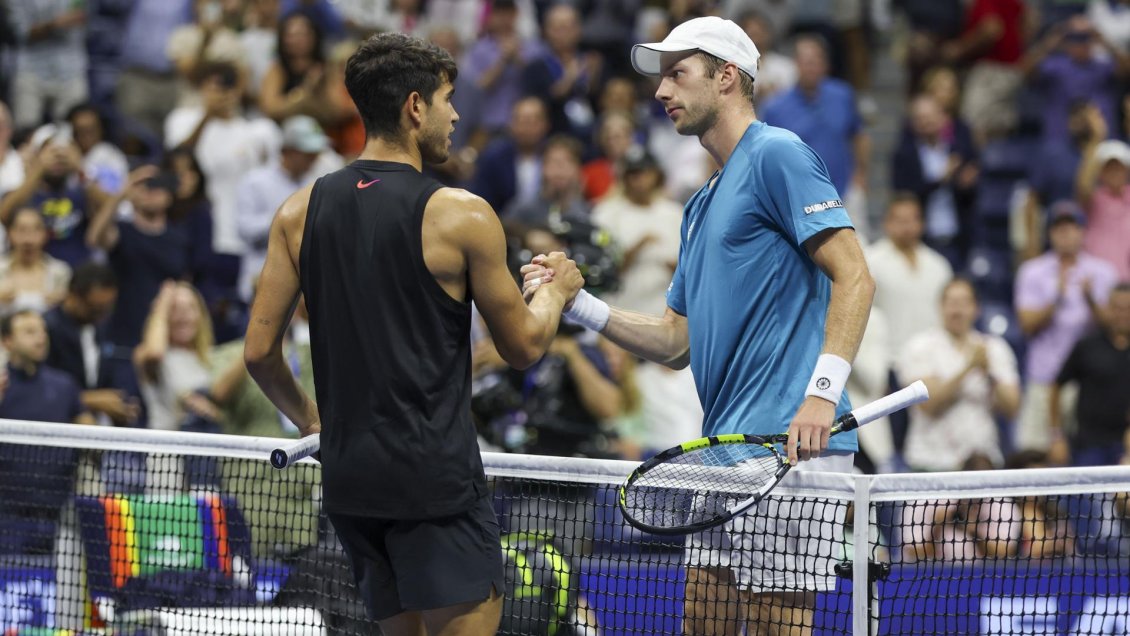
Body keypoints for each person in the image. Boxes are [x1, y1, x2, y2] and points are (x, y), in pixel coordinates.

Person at [524, 16, 874, 635]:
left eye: (677, 74)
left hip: (788, 449)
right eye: (662, 78)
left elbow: (855, 276)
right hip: (722, 452)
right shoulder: (699, 205)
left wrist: (821, 395)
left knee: (774, 626)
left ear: (727, 77)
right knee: (700, 622)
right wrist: (580, 303)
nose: (661, 92)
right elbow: (674, 342)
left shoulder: (778, 155)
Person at [244, 32, 584, 636]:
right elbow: (526, 347)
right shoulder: (463, 215)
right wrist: (557, 291)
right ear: (414, 106)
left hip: (351, 484)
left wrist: (311, 420)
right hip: (435, 485)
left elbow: (259, 353)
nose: (457, 114)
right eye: (449, 99)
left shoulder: (298, 211)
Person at [1014, 202, 1118, 452]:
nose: (1066, 234)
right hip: (1044, 379)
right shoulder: (1032, 272)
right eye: (1059, 228)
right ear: (1050, 233)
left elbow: (1116, 328)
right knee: (1034, 456)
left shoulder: (1102, 272)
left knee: (1088, 458)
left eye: (1072, 227)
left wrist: (1091, 299)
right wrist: (1055, 300)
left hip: (1089, 384)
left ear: (1083, 232)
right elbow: (1026, 324)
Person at [897, 278, 1021, 471]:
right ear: (940, 307)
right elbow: (929, 404)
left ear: (976, 308)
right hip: (931, 463)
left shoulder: (994, 348)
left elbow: (1012, 407)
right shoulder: (920, 347)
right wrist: (968, 368)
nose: (958, 311)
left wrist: (989, 372)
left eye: (964, 303)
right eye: (952, 303)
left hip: (982, 463)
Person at [1050, 284, 1130, 467]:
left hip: (1126, 446)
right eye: (1118, 308)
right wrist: (1056, 436)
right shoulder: (1087, 346)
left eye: (1128, 309)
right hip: (1089, 445)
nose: (1123, 314)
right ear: (1108, 309)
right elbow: (1056, 385)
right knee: (1089, 496)